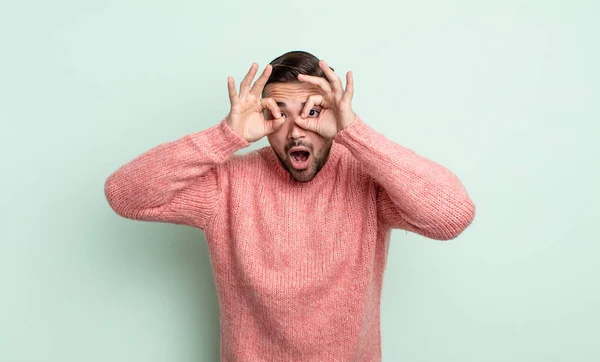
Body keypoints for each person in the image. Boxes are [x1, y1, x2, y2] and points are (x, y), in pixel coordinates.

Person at [104, 50, 476, 361]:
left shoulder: (367, 181)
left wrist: (355, 133)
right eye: (279, 112)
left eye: (312, 112)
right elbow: (124, 194)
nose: (296, 129)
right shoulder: (228, 185)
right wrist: (224, 136)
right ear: (264, 118)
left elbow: (452, 216)